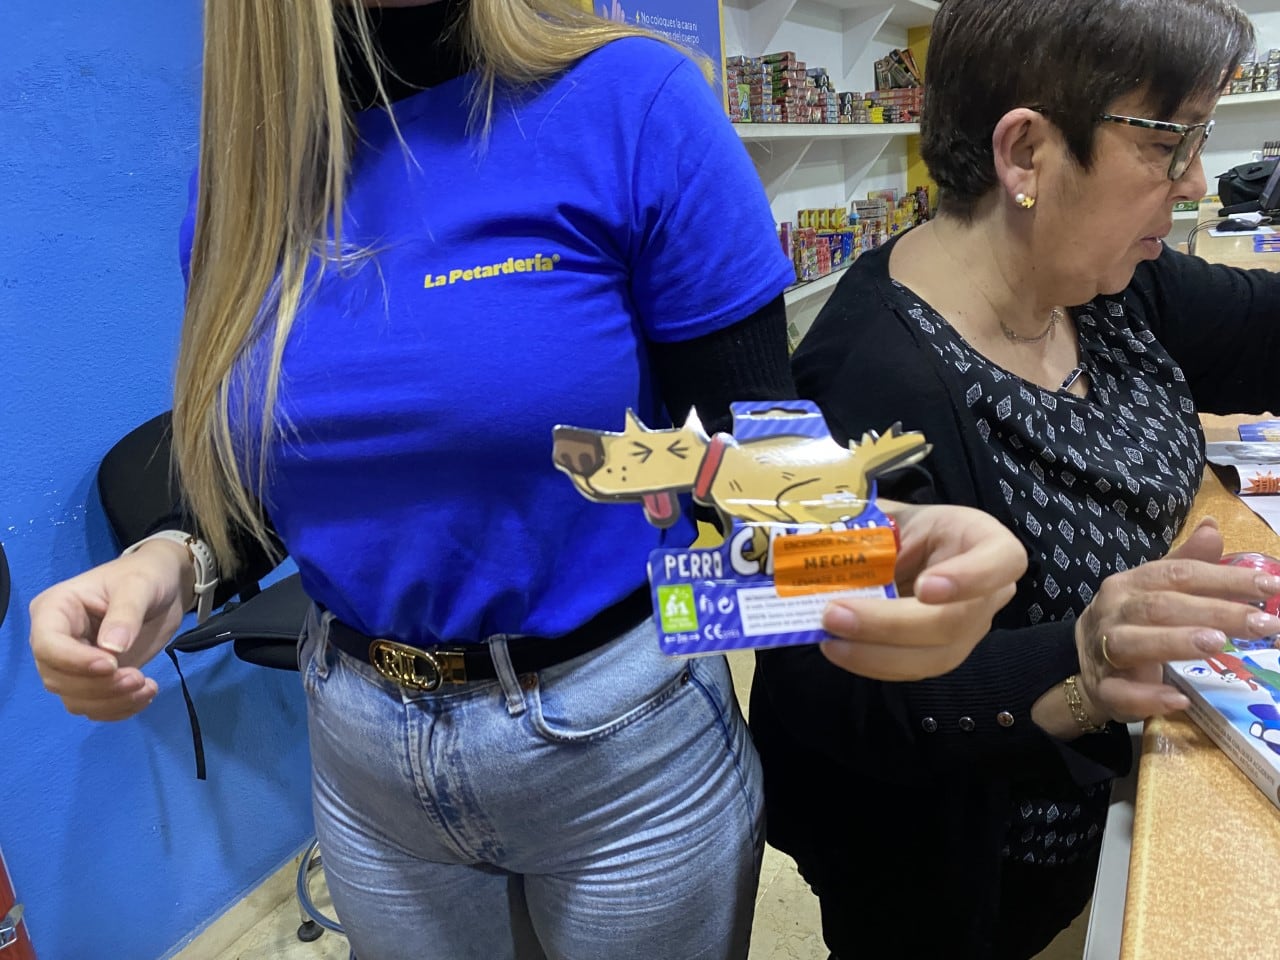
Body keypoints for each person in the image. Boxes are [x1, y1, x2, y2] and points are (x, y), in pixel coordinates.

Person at [26, 2, 1027, 959]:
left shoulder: (631, 102)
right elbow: (296, 479)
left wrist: (871, 557)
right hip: (361, 753)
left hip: (617, 745)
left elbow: (723, 452)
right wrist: (175, 559)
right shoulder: (243, 177)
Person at [750, 0, 1280, 957]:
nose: (1195, 180)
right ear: (1027, 153)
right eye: (1172, 143)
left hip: (1122, 810)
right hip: (962, 886)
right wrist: (1078, 657)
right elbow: (834, 690)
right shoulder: (860, 381)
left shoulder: (1111, 284)